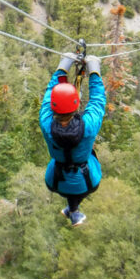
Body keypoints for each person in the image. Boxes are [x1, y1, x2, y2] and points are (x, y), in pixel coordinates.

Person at [39, 53, 105, 226]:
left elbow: (49, 96)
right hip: (86, 180)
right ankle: (73, 210)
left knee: (72, 185)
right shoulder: (88, 126)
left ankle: (72, 210)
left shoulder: (46, 123)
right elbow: (97, 100)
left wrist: (64, 66)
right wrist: (94, 70)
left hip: (55, 179)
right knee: (81, 185)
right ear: (75, 105)